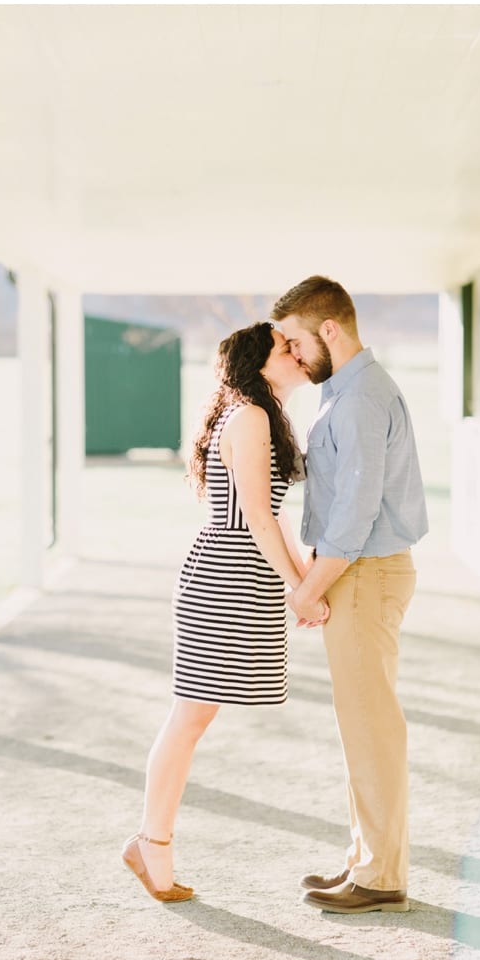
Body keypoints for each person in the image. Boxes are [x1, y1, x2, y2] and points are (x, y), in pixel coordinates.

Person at [122, 321, 317, 901]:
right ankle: (152, 846)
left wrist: (302, 582)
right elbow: (258, 517)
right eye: (287, 348)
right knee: (190, 714)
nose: (299, 354)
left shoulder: (262, 414)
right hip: (226, 575)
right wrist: (298, 587)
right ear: (260, 363)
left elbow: (274, 513)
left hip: (242, 573)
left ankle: (151, 845)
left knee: (194, 715)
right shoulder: (251, 418)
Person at [271, 275, 427, 914]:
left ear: (329, 329)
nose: (295, 355)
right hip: (360, 573)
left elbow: (358, 512)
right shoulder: (347, 393)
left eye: (296, 342)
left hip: (365, 573)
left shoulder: (361, 399)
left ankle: (381, 876)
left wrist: (310, 588)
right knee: (362, 725)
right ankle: (368, 861)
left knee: (371, 728)